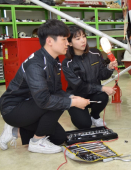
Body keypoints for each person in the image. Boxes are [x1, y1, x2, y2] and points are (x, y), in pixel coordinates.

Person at [0, 19, 90, 154]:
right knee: (59, 101)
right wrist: (73, 102)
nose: (67, 43)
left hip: (32, 106)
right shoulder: (36, 64)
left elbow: (57, 89)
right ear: (49, 41)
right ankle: (37, 142)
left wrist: (71, 96)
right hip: (13, 109)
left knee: (59, 138)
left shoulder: (54, 61)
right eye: (64, 39)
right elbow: (44, 100)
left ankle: (14, 130)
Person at [62, 25, 118, 129]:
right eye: (78, 39)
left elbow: (102, 74)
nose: (83, 41)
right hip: (77, 97)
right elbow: (79, 86)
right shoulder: (67, 63)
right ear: (69, 43)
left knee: (103, 96)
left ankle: (95, 116)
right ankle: (82, 115)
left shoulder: (95, 53)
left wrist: (109, 68)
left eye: (84, 36)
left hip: (93, 95)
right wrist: (101, 88)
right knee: (84, 125)